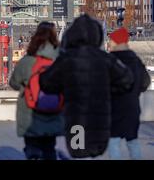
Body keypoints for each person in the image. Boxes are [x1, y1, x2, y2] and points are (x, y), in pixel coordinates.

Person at [39, 14, 134, 159]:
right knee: (96, 153)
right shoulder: (105, 58)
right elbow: (127, 80)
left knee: (79, 152)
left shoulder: (66, 59)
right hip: (100, 121)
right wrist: (108, 90)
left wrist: (65, 86)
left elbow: (46, 83)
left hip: (77, 122)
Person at [9, 22, 64, 160]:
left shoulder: (27, 61)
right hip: (53, 111)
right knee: (49, 148)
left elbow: (14, 83)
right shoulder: (61, 59)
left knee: (32, 148)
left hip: (29, 112)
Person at [107, 27, 152, 159]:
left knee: (113, 143)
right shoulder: (136, 61)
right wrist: (134, 92)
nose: (109, 43)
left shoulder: (110, 61)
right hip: (132, 108)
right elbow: (145, 82)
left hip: (114, 109)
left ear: (116, 42)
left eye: (111, 40)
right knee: (133, 141)